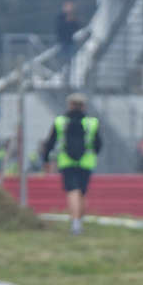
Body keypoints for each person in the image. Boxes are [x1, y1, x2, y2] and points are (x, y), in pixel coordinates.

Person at [39, 93, 101, 234]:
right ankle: (80, 222)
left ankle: (75, 224)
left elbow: (50, 143)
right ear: (84, 106)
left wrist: (46, 160)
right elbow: (98, 144)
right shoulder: (92, 123)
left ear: (70, 105)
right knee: (82, 193)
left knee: (72, 191)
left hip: (67, 161)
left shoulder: (60, 122)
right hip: (86, 162)